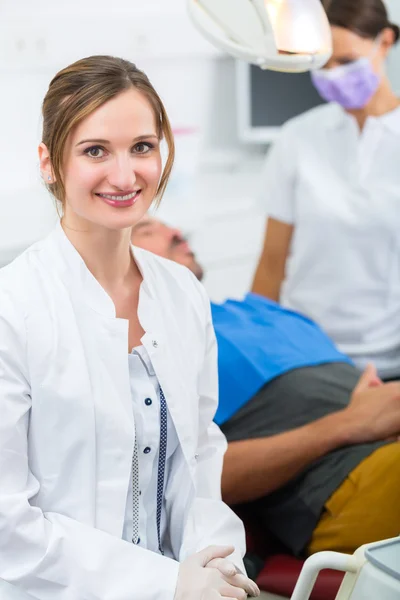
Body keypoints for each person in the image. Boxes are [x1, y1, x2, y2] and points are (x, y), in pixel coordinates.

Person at [0, 56, 260, 600]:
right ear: (49, 163)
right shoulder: (14, 307)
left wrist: (215, 564)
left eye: (142, 146)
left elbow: (202, 452)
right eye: (95, 150)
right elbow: (8, 528)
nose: (125, 175)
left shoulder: (182, 291)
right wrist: (167, 583)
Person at [131, 216, 400, 558]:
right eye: (148, 230)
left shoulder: (259, 309)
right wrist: (348, 425)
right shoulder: (145, 349)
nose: (176, 232)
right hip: (346, 481)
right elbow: (186, 477)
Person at [252, 0, 400, 381]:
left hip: (389, 362)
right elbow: (271, 264)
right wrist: (257, 349)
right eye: (323, 63)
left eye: (347, 60)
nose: (333, 76)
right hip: (306, 357)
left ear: (384, 42)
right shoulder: (297, 137)